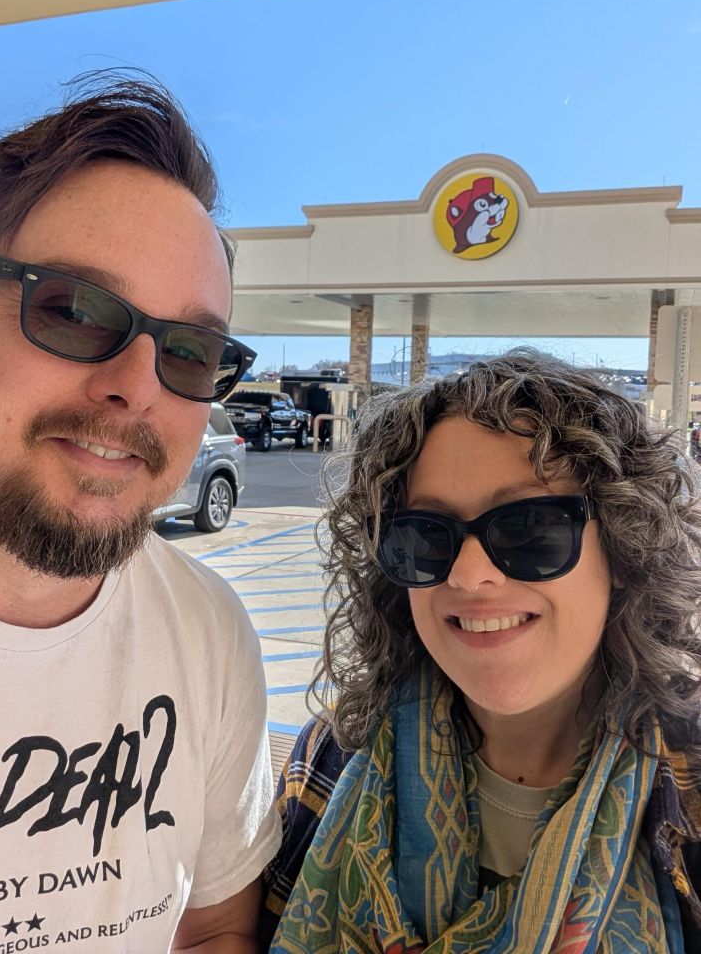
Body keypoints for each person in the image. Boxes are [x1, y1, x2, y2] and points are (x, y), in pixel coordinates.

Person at [0, 73, 280, 952]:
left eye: (192, 350)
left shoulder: (206, 633)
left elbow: (211, 930)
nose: (135, 386)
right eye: (72, 309)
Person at [261, 351, 701, 952]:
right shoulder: (332, 756)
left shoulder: (689, 784)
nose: (469, 576)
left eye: (529, 528)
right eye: (424, 534)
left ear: (626, 549)